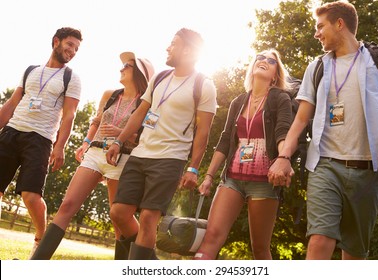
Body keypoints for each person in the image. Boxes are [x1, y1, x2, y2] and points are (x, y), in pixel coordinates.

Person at [268, 1, 378, 260]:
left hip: (369, 172)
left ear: (340, 24)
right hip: (326, 167)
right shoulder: (318, 67)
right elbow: (300, 120)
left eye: (320, 26)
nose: (316, 33)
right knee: (319, 241)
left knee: (354, 254)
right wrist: (283, 157)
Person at [29, 52, 154, 260]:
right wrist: (86, 142)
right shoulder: (110, 94)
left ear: (140, 74)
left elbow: (146, 138)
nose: (121, 68)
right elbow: (96, 122)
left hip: (121, 160)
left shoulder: (146, 104)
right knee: (67, 206)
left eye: (127, 66)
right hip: (95, 154)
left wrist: (120, 135)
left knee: (119, 222)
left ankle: (136, 263)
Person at [105, 28, 217, 260]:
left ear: (187, 50)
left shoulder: (203, 85)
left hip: (170, 158)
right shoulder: (160, 77)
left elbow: (203, 132)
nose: (168, 47)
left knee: (148, 218)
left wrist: (193, 168)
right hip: (141, 153)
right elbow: (140, 114)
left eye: (173, 44)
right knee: (119, 212)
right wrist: (119, 141)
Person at [194, 50, 293, 260]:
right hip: (232, 179)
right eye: (260, 57)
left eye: (271, 60)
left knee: (259, 248)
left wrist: (284, 159)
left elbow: (283, 131)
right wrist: (209, 176)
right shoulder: (238, 102)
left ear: (275, 74)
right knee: (210, 237)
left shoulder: (280, 98)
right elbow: (224, 139)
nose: (264, 61)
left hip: (264, 182)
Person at [0, 27, 83, 257]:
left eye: (76, 48)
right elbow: (11, 103)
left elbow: (69, 115)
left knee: (30, 195)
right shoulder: (31, 71)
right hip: (11, 132)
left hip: (40, 139)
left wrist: (60, 146)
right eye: (69, 45)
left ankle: (39, 240)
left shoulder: (71, 78)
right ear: (56, 42)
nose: (72, 51)